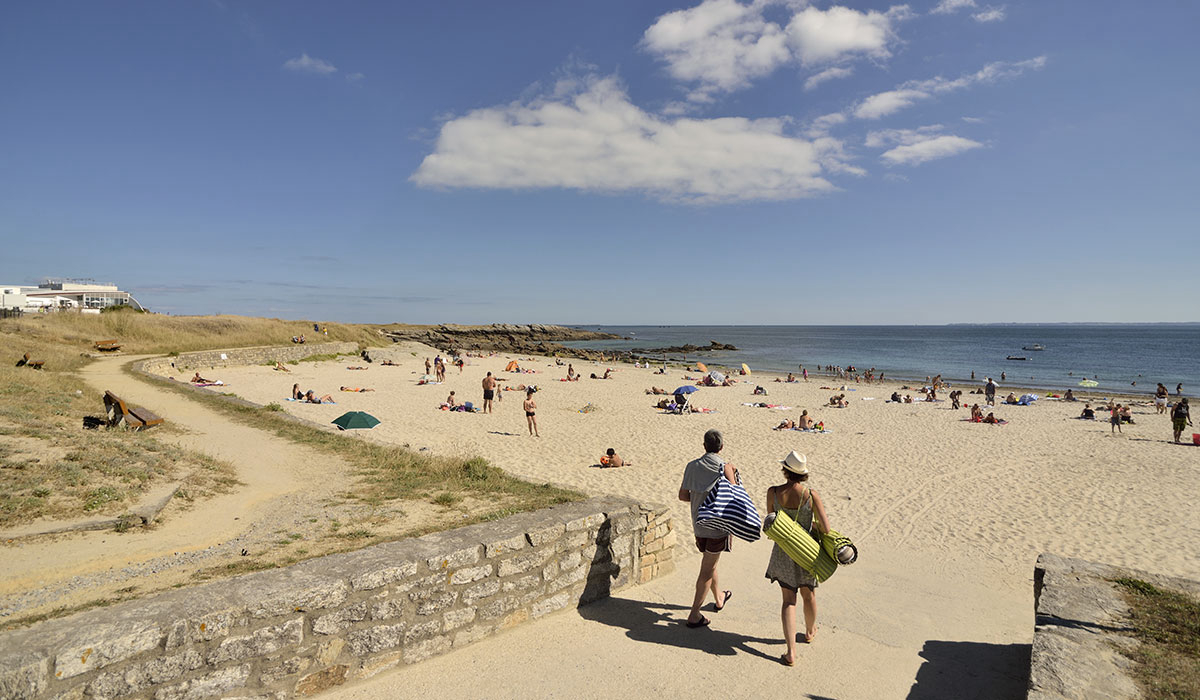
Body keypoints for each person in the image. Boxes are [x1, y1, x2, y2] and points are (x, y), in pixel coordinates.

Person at [765, 451, 830, 666]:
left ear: (785, 470)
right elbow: (826, 529)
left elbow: (771, 522)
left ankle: (791, 651)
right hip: (806, 551)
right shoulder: (811, 496)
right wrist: (810, 527)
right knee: (808, 595)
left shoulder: (773, 493)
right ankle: (810, 631)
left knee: (788, 600)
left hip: (784, 550)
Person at [678, 429, 736, 629]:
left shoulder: (691, 466)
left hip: (698, 525)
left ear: (704, 446)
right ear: (721, 447)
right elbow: (735, 497)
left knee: (710, 563)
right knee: (707, 570)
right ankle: (694, 614)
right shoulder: (725, 467)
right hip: (717, 527)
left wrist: (699, 497)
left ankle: (719, 598)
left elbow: (683, 496)